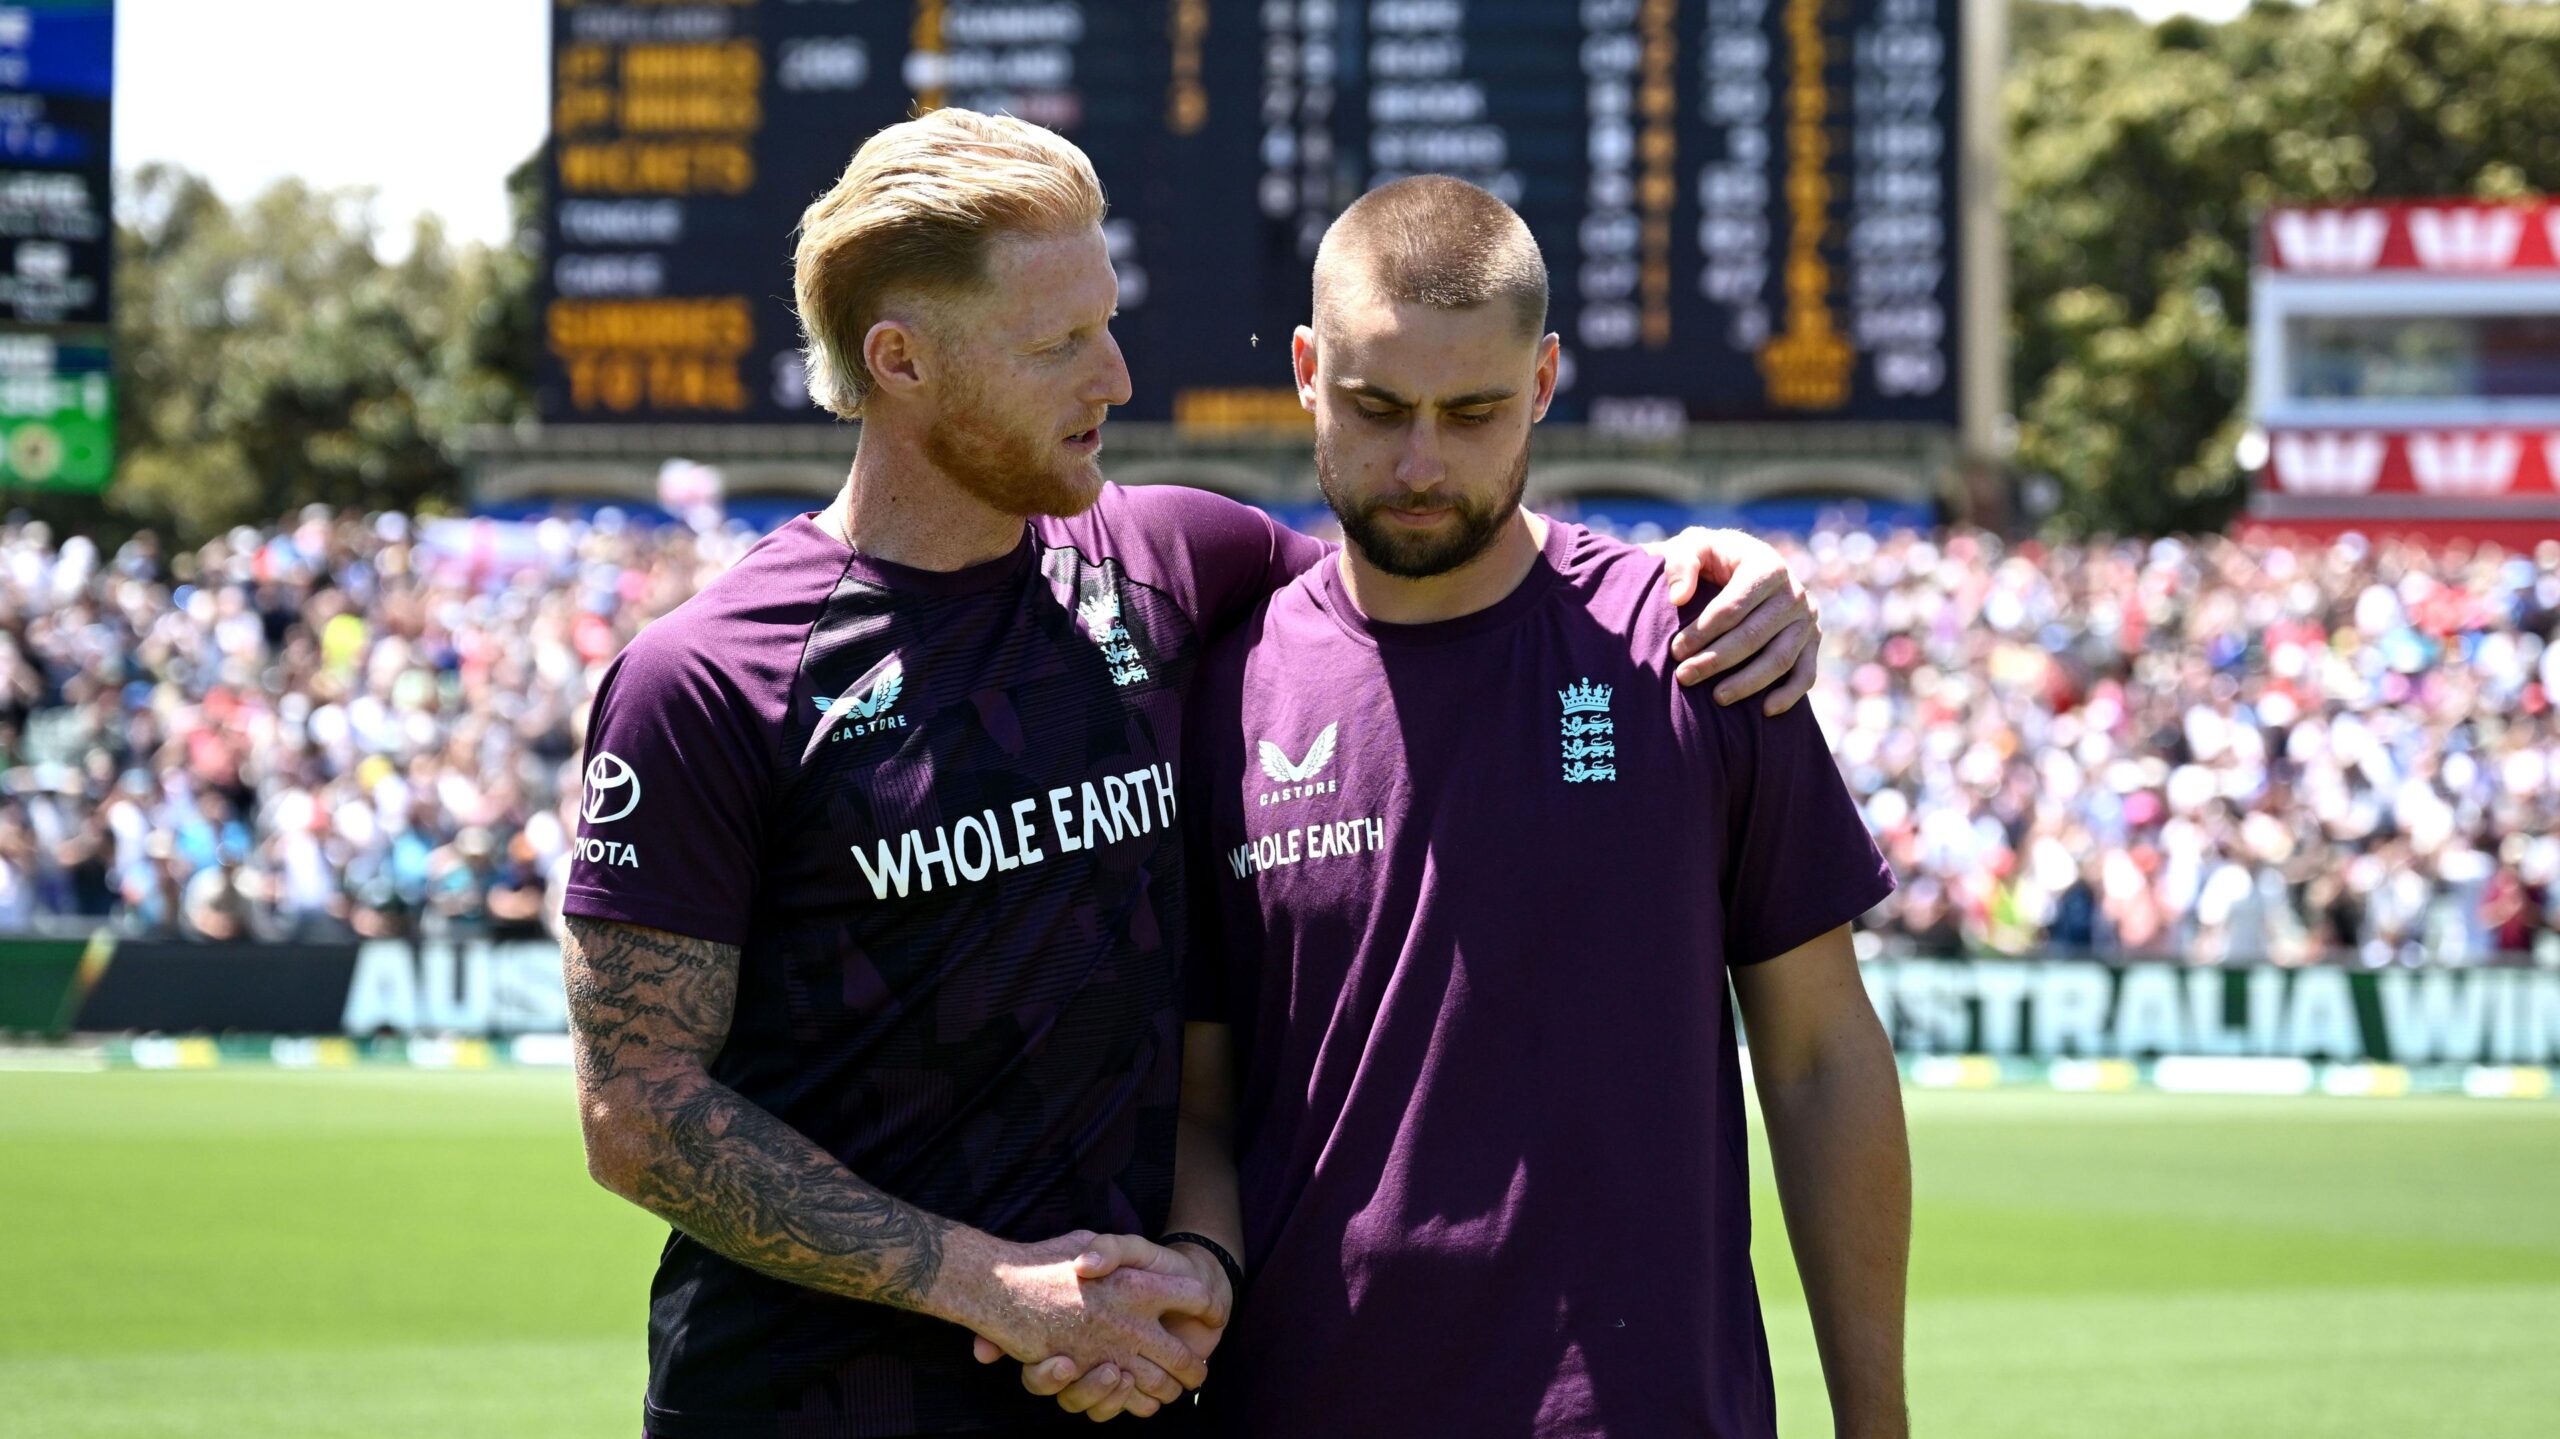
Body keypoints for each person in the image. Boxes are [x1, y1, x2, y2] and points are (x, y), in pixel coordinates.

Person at [560, 111, 1827, 1438]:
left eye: (1107, 320)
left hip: (1136, 1391)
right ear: (902, 360)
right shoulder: (709, 677)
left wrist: (1706, 567)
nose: (1114, 374)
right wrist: (987, 1283)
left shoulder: (1169, 560)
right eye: (1059, 343)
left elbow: (1438, 550)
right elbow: (636, 1111)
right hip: (805, 1402)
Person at [1006, 176, 1911, 1435]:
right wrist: (1191, 1279)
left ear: (1542, 382)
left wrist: (1878, 1423)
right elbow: (1205, 1102)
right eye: (1377, 407)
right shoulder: (1219, 685)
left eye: (1474, 411)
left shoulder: (1699, 650)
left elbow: (1820, 1059)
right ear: (1308, 370)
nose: (1421, 462)